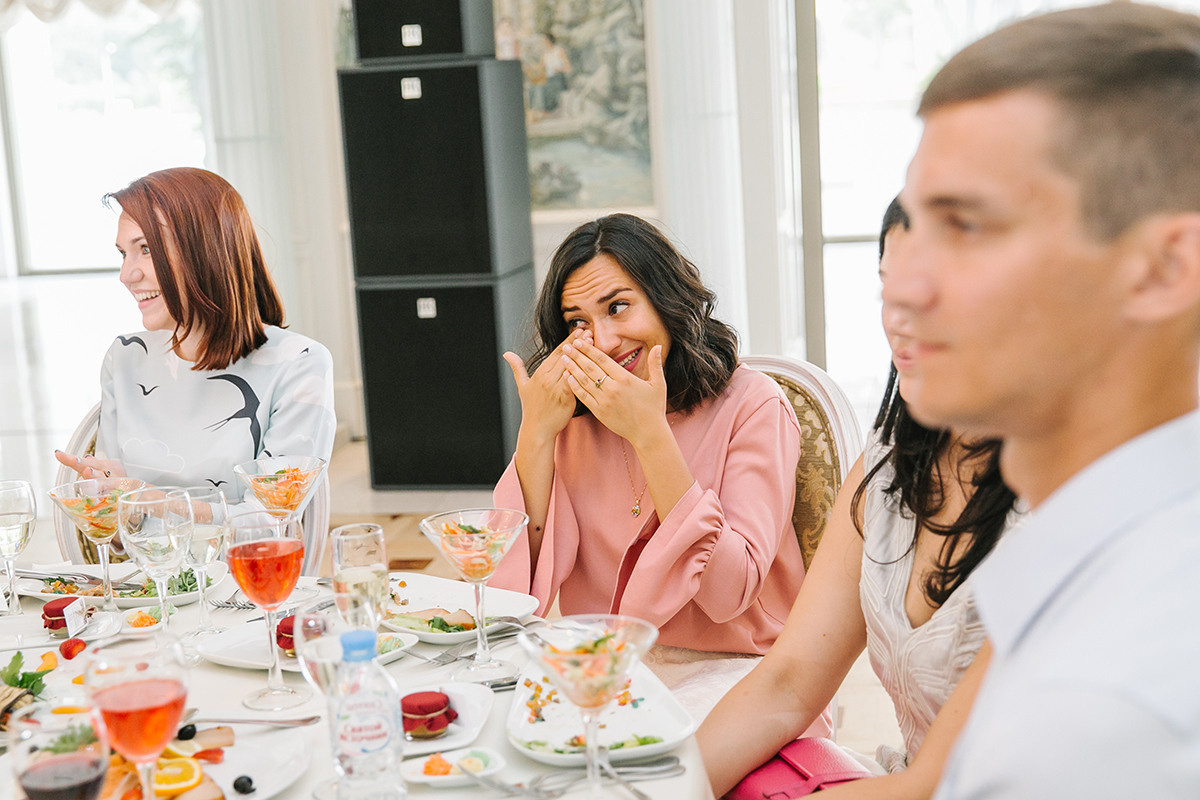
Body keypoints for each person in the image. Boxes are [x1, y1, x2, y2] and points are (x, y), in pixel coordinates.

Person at [882, 5, 1200, 797]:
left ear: (1164, 270)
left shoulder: (1092, 723)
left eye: (968, 226)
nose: (903, 288)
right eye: (915, 225)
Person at [698, 200, 1018, 798]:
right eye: (888, 288)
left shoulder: (1064, 495)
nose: (900, 319)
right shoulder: (893, 458)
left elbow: (936, 786)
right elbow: (789, 682)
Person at [492, 213, 813, 718]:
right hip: (606, 671)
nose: (602, 340)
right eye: (578, 322)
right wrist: (535, 436)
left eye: (618, 307)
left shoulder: (753, 406)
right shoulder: (573, 421)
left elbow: (729, 594)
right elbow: (510, 598)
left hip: (744, 672)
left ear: (667, 301)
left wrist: (649, 436)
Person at [54, 167, 336, 504]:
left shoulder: (298, 364)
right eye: (123, 253)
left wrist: (146, 499)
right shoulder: (125, 357)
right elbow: (119, 540)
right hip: (147, 559)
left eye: (145, 248)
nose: (127, 274)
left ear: (204, 250)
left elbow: (271, 522)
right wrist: (106, 499)